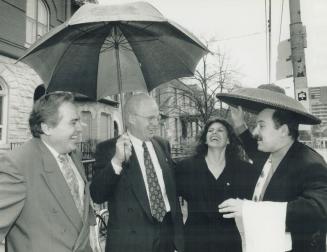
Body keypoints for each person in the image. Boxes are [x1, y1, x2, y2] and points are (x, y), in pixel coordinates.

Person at [217, 87, 327, 252]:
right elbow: (252, 146)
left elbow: (318, 210)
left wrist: (249, 210)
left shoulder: (310, 164)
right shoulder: (272, 154)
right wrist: (239, 124)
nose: (255, 132)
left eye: (261, 126)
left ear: (283, 130)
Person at [0, 92, 95, 252]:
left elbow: (77, 209)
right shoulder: (18, 164)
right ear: (47, 128)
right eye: (73, 122)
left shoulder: (75, 154)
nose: (81, 128)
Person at [90, 93, 184, 252]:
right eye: (150, 118)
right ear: (132, 119)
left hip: (167, 236)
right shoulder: (109, 149)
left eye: (157, 117)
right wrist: (117, 161)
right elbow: (97, 195)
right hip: (131, 243)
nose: (156, 123)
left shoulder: (162, 145)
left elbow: (175, 185)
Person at [176, 118, 257, 252]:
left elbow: (263, 162)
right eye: (210, 131)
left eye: (220, 130)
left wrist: (242, 128)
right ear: (205, 139)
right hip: (194, 241)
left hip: (228, 243)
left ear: (228, 140)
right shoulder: (186, 168)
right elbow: (169, 198)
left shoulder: (241, 170)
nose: (214, 133)